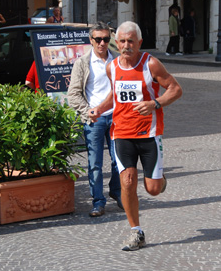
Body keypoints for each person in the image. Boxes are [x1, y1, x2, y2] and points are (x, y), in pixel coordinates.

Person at [90, 21, 182, 250]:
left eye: (131, 41)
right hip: (121, 134)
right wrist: (99, 109)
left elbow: (175, 89)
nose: (126, 45)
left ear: (139, 42)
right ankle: (136, 232)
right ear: (116, 43)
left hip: (149, 134)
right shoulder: (112, 67)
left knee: (152, 189)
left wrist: (155, 103)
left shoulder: (151, 64)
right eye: (121, 41)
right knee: (127, 182)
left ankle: (159, 182)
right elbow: (115, 95)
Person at [67, 21, 122, 217]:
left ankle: (117, 192)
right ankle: (98, 201)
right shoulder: (82, 63)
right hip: (95, 120)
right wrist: (87, 111)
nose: (102, 43)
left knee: (120, 161)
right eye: (98, 39)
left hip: (116, 117)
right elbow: (73, 94)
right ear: (91, 40)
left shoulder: (117, 61)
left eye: (106, 39)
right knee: (95, 164)